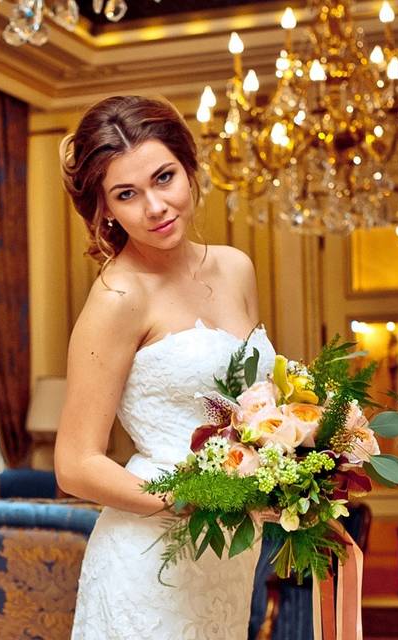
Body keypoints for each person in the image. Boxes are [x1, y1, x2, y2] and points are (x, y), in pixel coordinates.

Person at [54, 95, 277, 639]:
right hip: (148, 560)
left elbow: (259, 403)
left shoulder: (235, 268)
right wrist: (191, 500)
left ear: (191, 169)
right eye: (126, 194)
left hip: (227, 557)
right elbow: (75, 463)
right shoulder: (117, 297)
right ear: (105, 209)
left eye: (164, 177)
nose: (154, 206)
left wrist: (297, 463)